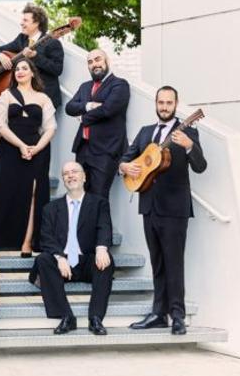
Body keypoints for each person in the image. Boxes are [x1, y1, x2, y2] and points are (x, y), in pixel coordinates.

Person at [119, 85, 207, 336]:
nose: (164, 107)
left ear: (176, 105)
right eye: (161, 102)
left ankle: (177, 315)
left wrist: (190, 146)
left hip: (175, 208)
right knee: (157, 262)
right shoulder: (145, 132)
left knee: (174, 263)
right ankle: (158, 314)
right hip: (149, 206)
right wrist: (125, 168)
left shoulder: (188, 131)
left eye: (169, 103)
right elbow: (126, 158)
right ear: (156, 104)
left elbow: (201, 166)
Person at [30, 161, 114, 335]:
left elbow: (104, 227)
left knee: (107, 260)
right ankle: (67, 317)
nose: (70, 175)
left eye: (74, 171)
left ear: (84, 177)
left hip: (87, 261)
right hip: (63, 264)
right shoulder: (51, 208)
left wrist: (101, 248)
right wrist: (60, 257)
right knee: (43, 259)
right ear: (63, 180)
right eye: (66, 173)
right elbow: (46, 238)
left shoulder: (99, 203)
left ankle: (96, 318)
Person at [0, 59, 56, 256]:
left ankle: (28, 242)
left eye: (25, 68)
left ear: (33, 73)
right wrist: (21, 146)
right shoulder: (6, 95)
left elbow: (50, 127)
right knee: (5, 191)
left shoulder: (43, 98)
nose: (20, 71)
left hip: (38, 150)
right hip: (10, 149)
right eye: (17, 69)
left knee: (34, 193)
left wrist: (36, 148)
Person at [65, 49, 130, 199]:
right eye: (90, 62)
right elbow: (70, 107)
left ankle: (101, 224)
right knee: (80, 197)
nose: (95, 64)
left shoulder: (119, 85)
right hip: (83, 149)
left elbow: (107, 110)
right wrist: (88, 105)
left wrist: (83, 118)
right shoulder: (85, 87)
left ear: (107, 61)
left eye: (98, 59)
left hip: (106, 151)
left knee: (99, 198)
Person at [0, 3, 64, 107]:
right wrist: (0, 55)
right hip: (24, 97)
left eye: (25, 20)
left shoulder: (53, 42)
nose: (21, 23)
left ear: (37, 23)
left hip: (45, 98)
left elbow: (57, 69)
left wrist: (35, 57)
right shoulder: (22, 39)